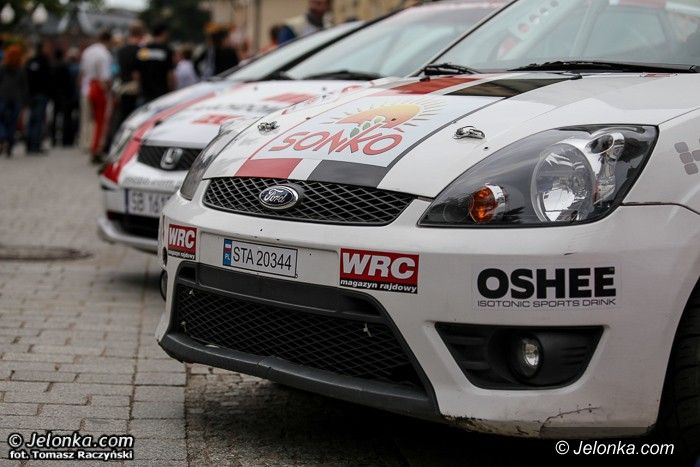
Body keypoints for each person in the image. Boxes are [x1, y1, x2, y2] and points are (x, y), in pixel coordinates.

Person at [80, 30, 113, 163]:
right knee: (101, 120)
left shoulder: (87, 51)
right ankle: (97, 148)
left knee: (87, 119)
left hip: (87, 86)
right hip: (99, 87)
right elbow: (105, 77)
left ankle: (87, 143)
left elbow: (82, 72)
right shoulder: (104, 54)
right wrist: (109, 91)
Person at [135, 22, 175, 103]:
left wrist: (139, 89)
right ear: (164, 33)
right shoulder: (167, 50)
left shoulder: (144, 50)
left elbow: (137, 73)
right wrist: (172, 90)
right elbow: (170, 74)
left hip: (146, 93)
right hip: (162, 93)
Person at [0, 45, 28, 157]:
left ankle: (2, 137)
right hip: (16, 98)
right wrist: (25, 101)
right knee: (12, 122)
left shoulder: (3, 68)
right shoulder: (20, 69)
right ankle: (10, 143)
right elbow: (24, 86)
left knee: (1, 119)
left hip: (3, 96)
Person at [25, 40, 51, 154]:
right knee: (39, 120)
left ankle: (29, 144)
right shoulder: (44, 61)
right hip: (41, 94)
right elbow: (48, 78)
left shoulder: (30, 61)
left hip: (31, 94)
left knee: (31, 119)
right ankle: (35, 145)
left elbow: (26, 78)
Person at [50, 48, 75, 148]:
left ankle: (53, 139)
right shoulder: (65, 67)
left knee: (55, 117)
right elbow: (68, 82)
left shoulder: (52, 66)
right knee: (66, 118)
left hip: (55, 95)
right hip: (65, 95)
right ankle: (66, 139)